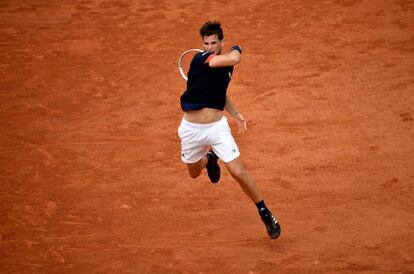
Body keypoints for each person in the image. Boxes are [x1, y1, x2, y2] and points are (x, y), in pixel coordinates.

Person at [178, 20, 281, 239]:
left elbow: (220, 93)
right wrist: (238, 48)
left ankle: (264, 211)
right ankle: (209, 159)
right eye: (205, 43)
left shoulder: (224, 68)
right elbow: (235, 57)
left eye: (213, 43)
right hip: (191, 129)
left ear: (220, 42)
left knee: (238, 172)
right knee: (194, 173)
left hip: (217, 127)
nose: (209, 47)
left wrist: (235, 113)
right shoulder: (201, 59)